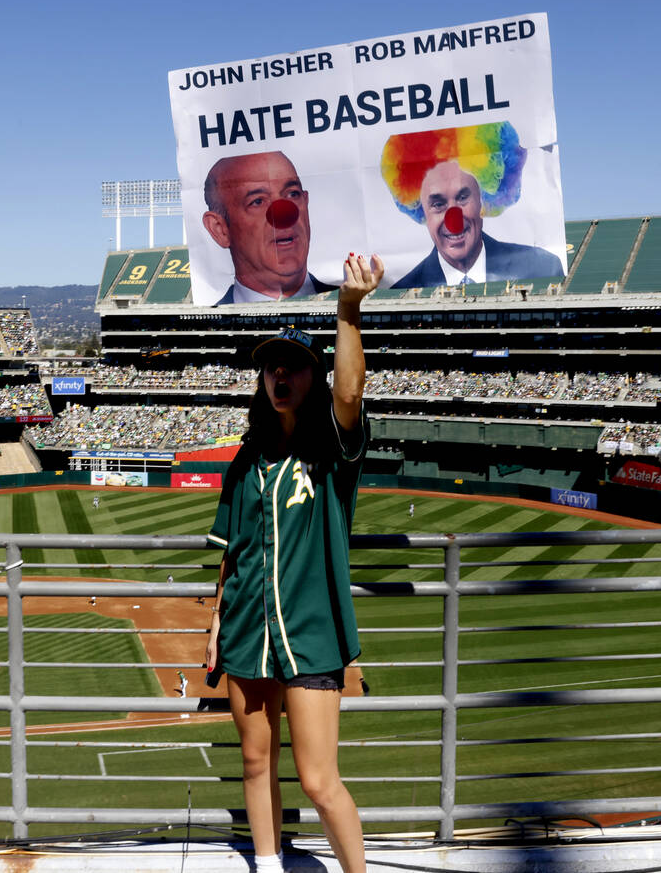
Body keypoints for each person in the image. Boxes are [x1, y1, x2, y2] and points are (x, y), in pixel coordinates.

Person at [205, 253, 381, 872]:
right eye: (271, 369)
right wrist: (216, 627)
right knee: (256, 762)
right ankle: (268, 863)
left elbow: (352, 392)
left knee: (317, 779)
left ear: (314, 377)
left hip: (310, 635)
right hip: (248, 632)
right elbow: (233, 555)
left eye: (295, 368)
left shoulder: (332, 449)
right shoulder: (246, 461)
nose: (281, 376)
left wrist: (349, 311)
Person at [381, 123, 563, 290]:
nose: (454, 219)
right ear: (421, 210)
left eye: (462, 197)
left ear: (483, 198)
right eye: (438, 204)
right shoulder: (403, 289)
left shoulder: (542, 269)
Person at [202, 151, 337, 304]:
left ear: (306, 202)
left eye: (293, 194)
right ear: (220, 229)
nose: (284, 214)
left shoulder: (347, 302)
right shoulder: (212, 322)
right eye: (258, 201)